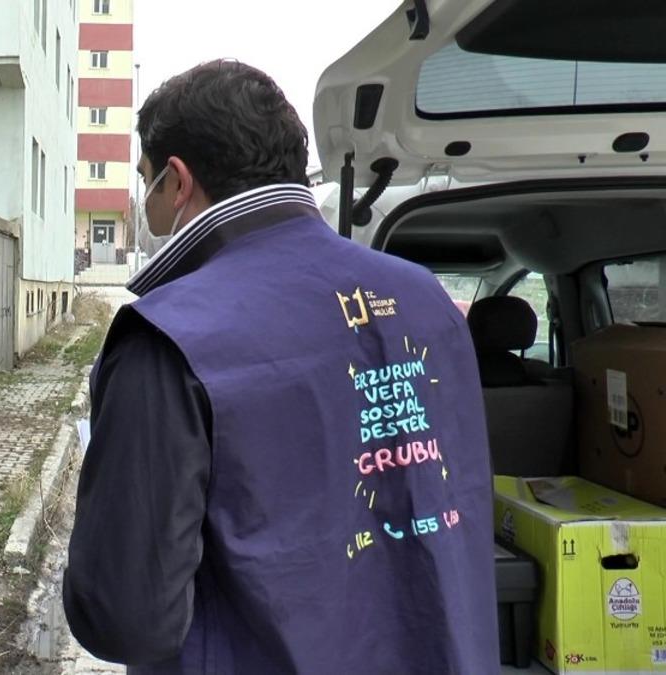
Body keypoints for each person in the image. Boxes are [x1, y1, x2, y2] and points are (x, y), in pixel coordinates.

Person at [63, 61, 499, 673]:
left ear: (178, 179)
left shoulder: (168, 337)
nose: (146, 204)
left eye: (146, 181)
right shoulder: (429, 303)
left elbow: (126, 619)